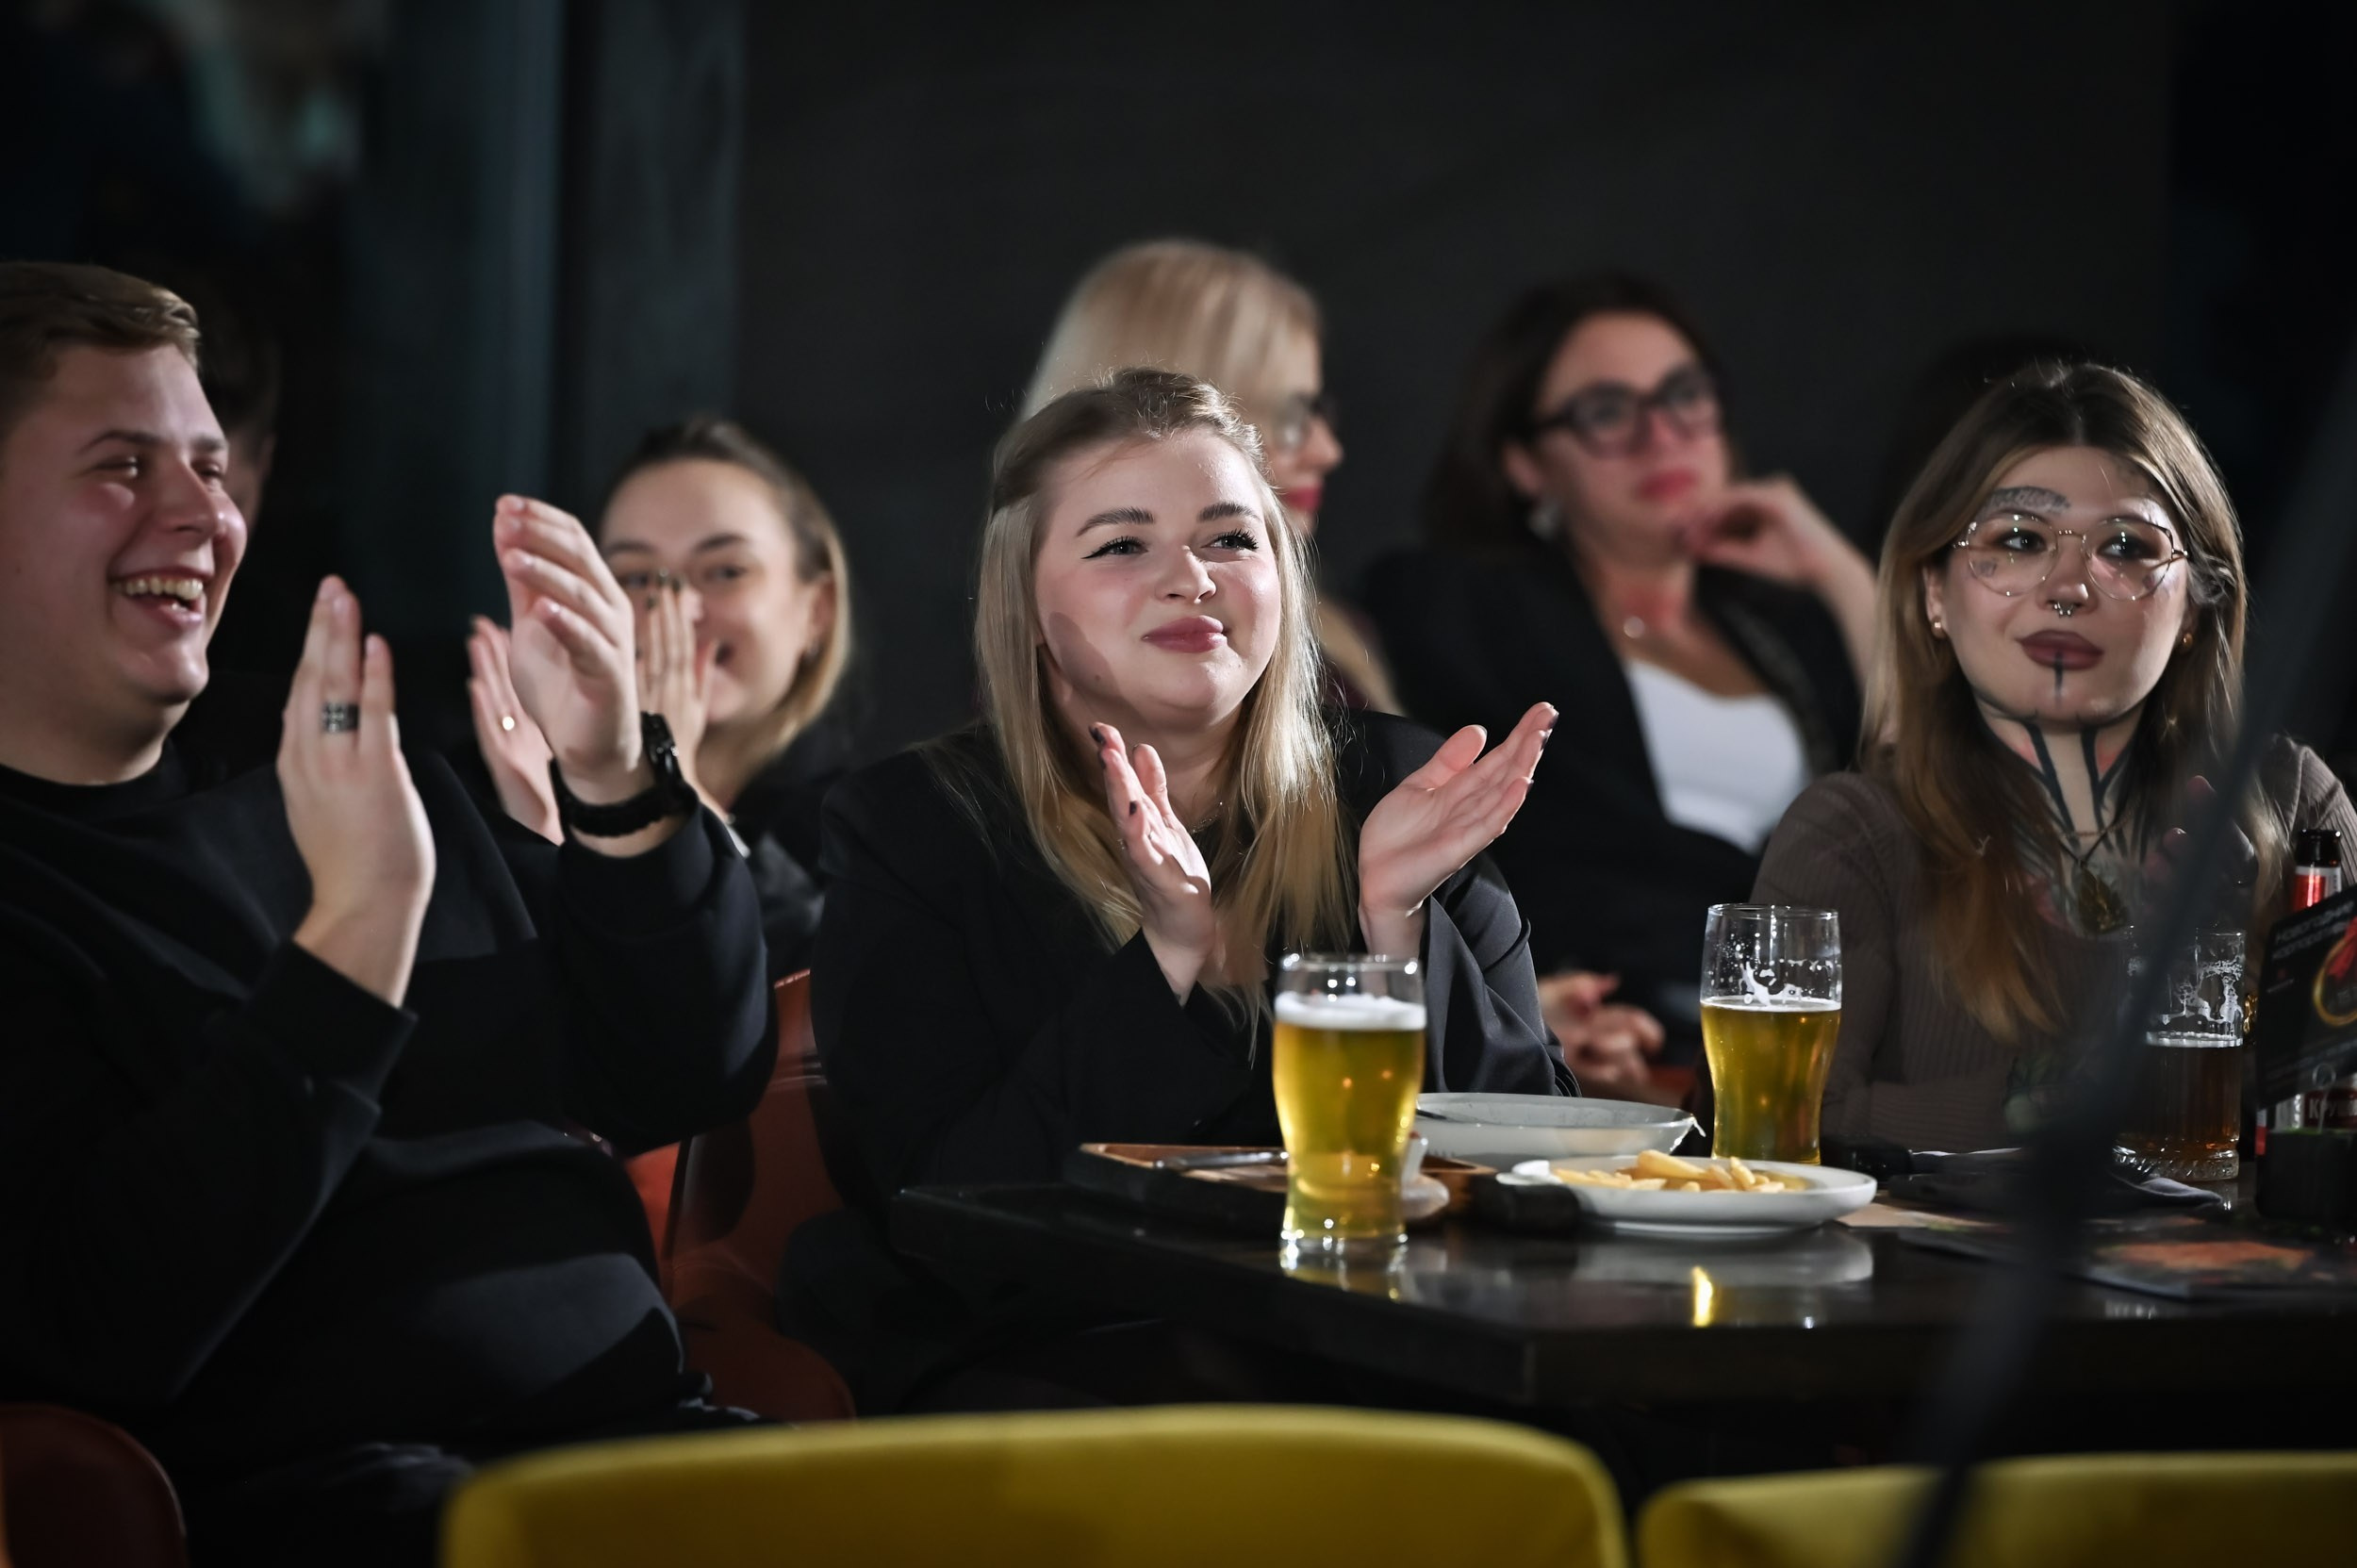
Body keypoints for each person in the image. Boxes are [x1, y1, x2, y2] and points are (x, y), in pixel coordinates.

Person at [0, 262, 774, 1566]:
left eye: (208, 461)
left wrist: (613, 775)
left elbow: (686, 1068)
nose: (206, 511)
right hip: (360, 1506)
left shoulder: (324, 738)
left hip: (656, 1437)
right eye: (125, 466)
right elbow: (98, 1323)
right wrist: (355, 938)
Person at [787, 369, 1567, 1407]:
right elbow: (953, 1209)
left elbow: (1542, 1174)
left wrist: (1396, 930)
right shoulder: (912, 827)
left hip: (1380, 1342)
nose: (1191, 578)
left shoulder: (1395, 788)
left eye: (1230, 538)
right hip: (1078, 1357)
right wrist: (1167, 959)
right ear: (1023, 600)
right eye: (1122, 545)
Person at [1755, 359, 2357, 1150]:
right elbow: (1776, 1130)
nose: (2069, 586)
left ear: (2195, 607)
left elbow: (2333, 1119)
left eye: (2127, 546)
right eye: (2018, 539)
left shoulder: (2294, 803)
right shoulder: (1852, 834)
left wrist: (2233, 963)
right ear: (1935, 591)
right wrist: (2071, 1090)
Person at [1364, 272, 1872, 1097]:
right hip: (1610, 1035)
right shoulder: (1460, 604)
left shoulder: (1789, 627)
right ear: (1527, 464)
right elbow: (1545, 853)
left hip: (1806, 1036)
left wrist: (1840, 574)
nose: (1661, 435)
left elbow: (1919, 780)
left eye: (1683, 396)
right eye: (1607, 412)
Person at [469, 415, 852, 978]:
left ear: (815, 611)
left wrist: (667, 791)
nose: (680, 611)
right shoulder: (508, 782)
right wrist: (552, 849)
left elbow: (830, 1001)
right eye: (636, 578)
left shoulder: (869, 829)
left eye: (725, 571)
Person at [1023, 239, 1397, 712]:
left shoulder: (1332, 633)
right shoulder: (1044, 713)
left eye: (1317, 411)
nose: (1326, 451)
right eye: (1289, 417)